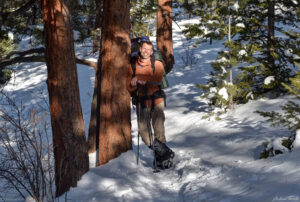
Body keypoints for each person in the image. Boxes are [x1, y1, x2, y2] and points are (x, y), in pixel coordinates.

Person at [127, 41, 175, 169]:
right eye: (144, 48)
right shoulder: (132, 65)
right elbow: (129, 88)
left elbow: (158, 79)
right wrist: (132, 84)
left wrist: (145, 80)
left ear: (152, 51)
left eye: (149, 49)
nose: (146, 51)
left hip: (156, 100)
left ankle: (162, 160)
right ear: (140, 49)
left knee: (159, 130)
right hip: (141, 102)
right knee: (144, 133)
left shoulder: (157, 63)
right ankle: (166, 153)